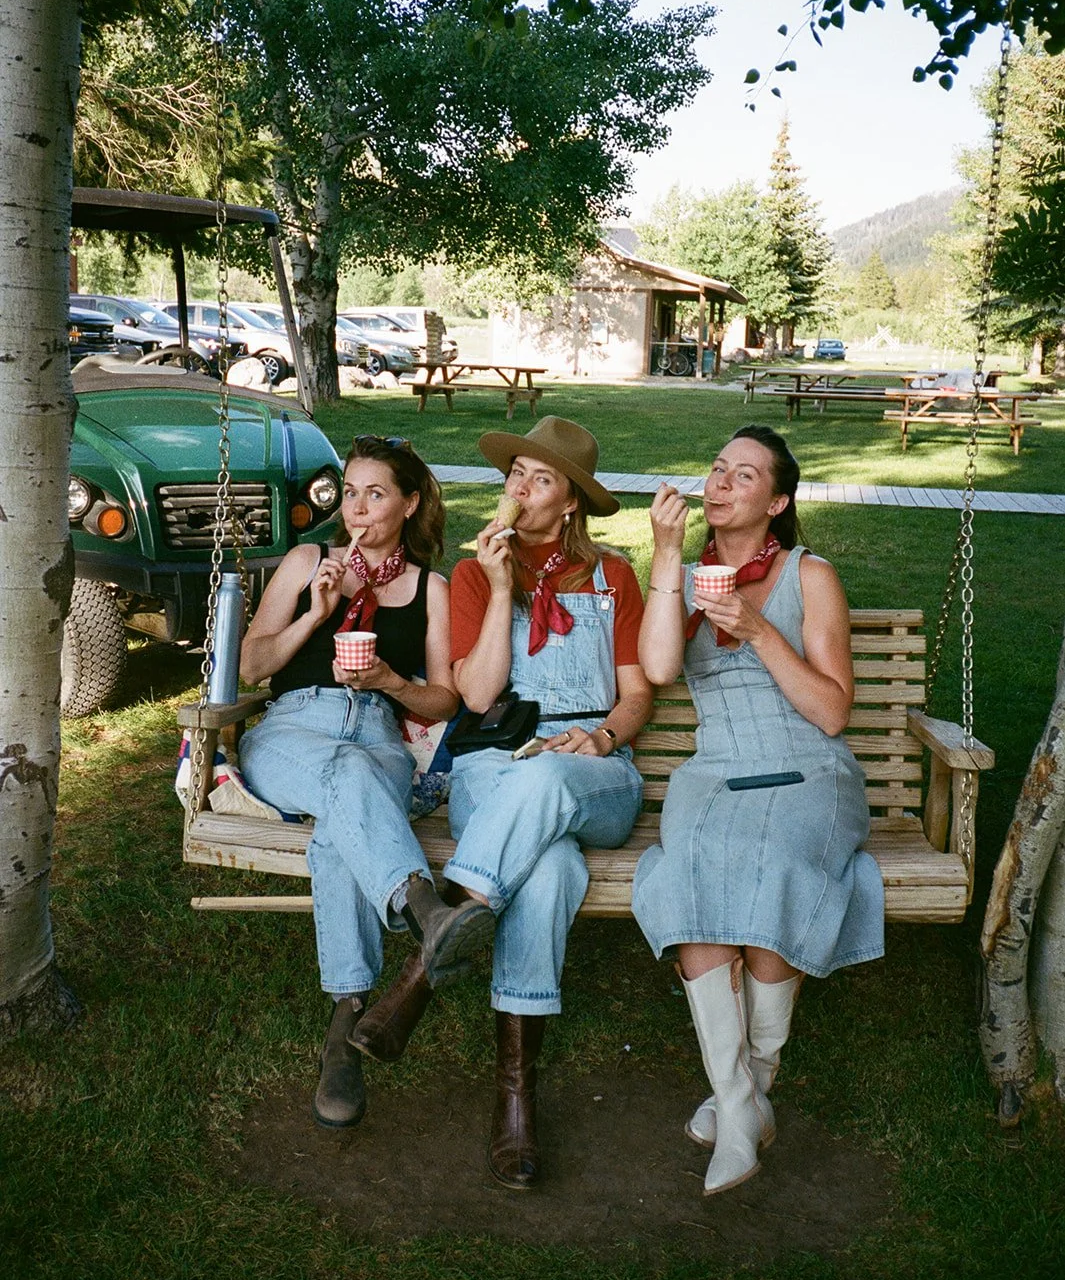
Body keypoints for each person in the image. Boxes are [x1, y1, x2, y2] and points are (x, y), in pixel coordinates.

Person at [352, 416, 653, 1189]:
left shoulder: (612, 576)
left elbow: (635, 692)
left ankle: (420, 971)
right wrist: (499, 591)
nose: (518, 488)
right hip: (493, 761)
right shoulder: (474, 573)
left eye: (539, 478)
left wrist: (605, 738)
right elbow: (476, 696)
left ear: (570, 504)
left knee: (548, 780)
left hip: (592, 772)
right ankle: (513, 1103)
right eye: (514, 472)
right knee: (548, 873)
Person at [632, 424, 884, 1196]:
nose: (718, 484)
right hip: (715, 772)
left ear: (774, 502)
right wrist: (668, 555)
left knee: (775, 863)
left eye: (741, 476)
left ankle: (748, 1089)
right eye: (715, 469)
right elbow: (658, 666)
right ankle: (743, 1106)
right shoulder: (688, 570)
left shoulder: (809, 576)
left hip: (807, 771)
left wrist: (759, 630)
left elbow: (832, 713)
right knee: (693, 871)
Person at [237, 435, 491, 1130]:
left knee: (339, 834)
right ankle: (423, 910)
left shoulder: (430, 588)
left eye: (375, 494)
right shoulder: (307, 561)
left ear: (409, 504)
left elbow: (443, 700)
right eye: (349, 492)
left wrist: (385, 681)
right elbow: (253, 666)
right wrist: (315, 617)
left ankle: (344, 1023)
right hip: (290, 730)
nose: (356, 507)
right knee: (346, 780)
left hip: (379, 733)